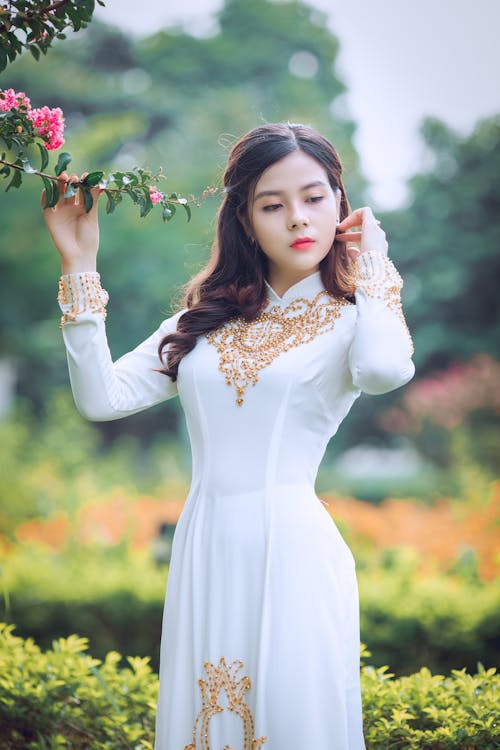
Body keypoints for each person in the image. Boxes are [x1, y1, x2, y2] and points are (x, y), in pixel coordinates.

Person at [43, 122, 415, 750]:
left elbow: (383, 372)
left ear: (341, 206)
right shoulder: (205, 319)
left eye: (315, 197)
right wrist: (80, 265)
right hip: (205, 547)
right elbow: (101, 398)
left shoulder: (357, 318)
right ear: (245, 219)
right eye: (273, 204)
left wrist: (375, 266)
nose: (298, 218)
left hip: (292, 552)